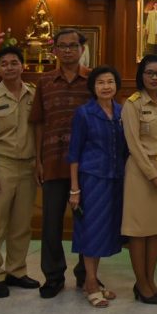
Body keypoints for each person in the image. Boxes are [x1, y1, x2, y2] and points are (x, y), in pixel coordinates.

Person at [31, 28, 92, 298]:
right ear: (54, 50)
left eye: (72, 45)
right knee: (51, 223)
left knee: (87, 222)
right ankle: (53, 276)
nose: (67, 50)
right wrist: (38, 160)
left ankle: (86, 274)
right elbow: (39, 123)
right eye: (62, 46)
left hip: (88, 165)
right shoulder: (44, 82)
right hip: (54, 162)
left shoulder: (93, 80)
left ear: (82, 49)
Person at [0, 46, 40, 298]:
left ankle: (16, 270)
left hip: (28, 167)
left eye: (14, 62)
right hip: (1, 166)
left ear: (22, 66)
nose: (10, 67)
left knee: (21, 225)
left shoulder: (34, 95)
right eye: (4, 63)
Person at [67, 66, 127, 308]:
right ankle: (90, 283)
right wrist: (74, 189)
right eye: (100, 82)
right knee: (91, 231)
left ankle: (93, 280)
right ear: (93, 87)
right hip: (92, 180)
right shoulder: (84, 113)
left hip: (115, 179)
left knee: (104, 232)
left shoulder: (122, 112)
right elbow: (74, 153)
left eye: (110, 82)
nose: (106, 86)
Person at [121, 55, 157, 304]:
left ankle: (151, 280)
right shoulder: (132, 104)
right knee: (138, 232)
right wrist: (154, 176)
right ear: (141, 75)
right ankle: (141, 283)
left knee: (155, 231)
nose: (155, 77)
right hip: (140, 174)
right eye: (150, 73)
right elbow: (133, 145)